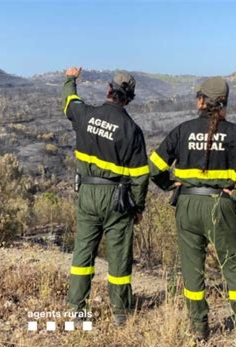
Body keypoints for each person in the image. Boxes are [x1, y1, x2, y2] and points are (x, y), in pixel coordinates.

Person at [149, 77, 236, 346]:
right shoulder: (234, 133)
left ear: (201, 101)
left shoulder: (182, 130)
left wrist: (171, 185)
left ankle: (199, 329)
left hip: (187, 204)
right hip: (220, 206)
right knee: (235, 266)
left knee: (192, 269)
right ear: (224, 103)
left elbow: (154, 168)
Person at [62, 67, 149, 326]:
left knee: (83, 254)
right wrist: (138, 207)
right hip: (118, 199)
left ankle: (77, 310)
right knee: (119, 256)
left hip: (87, 193)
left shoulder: (85, 114)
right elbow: (141, 176)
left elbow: (69, 101)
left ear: (108, 90)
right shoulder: (132, 130)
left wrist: (70, 79)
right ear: (129, 97)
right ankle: (120, 314)